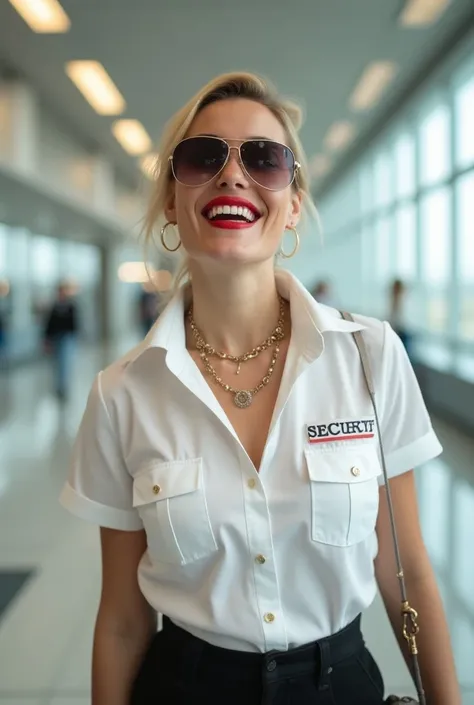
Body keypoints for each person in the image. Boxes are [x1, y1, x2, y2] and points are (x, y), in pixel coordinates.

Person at [59, 72, 460, 705]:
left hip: (342, 686)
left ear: (293, 202)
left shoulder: (370, 356)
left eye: (264, 159)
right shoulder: (122, 394)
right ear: (171, 199)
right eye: (203, 157)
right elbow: (120, 620)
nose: (233, 175)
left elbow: (404, 570)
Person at [44, 281, 79, 400]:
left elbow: (74, 323)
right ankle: (58, 386)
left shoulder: (70, 306)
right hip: (56, 338)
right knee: (57, 363)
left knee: (65, 362)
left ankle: (63, 386)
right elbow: (49, 325)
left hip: (67, 338)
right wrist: (47, 340)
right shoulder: (54, 307)